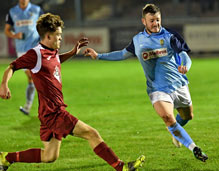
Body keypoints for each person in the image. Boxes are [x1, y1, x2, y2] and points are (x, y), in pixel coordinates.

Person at [0, 13, 145, 171]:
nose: (61, 38)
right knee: (92, 133)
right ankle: (121, 167)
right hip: (54, 113)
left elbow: (54, 61)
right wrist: (4, 85)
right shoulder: (35, 54)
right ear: (48, 36)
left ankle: (6, 158)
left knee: (50, 156)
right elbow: (12, 67)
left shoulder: (52, 50)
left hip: (48, 112)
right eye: (58, 35)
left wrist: (71, 52)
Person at [84, 4, 208, 162]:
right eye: (152, 21)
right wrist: (99, 56)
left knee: (188, 116)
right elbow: (122, 54)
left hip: (178, 84)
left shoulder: (170, 36)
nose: (156, 23)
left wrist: (186, 67)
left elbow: (184, 56)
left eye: (158, 20)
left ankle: (176, 131)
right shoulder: (138, 40)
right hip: (157, 89)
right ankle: (194, 148)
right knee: (167, 117)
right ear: (144, 21)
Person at [4, 0, 43, 115]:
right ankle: (29, 107)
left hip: (35, 47)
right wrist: (15, 35)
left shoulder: (37, 10)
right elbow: (7, 30)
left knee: (33, 75)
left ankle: (30, 106)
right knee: (32, 78)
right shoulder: (12, 12)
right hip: (21, 49)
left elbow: (46, 24)